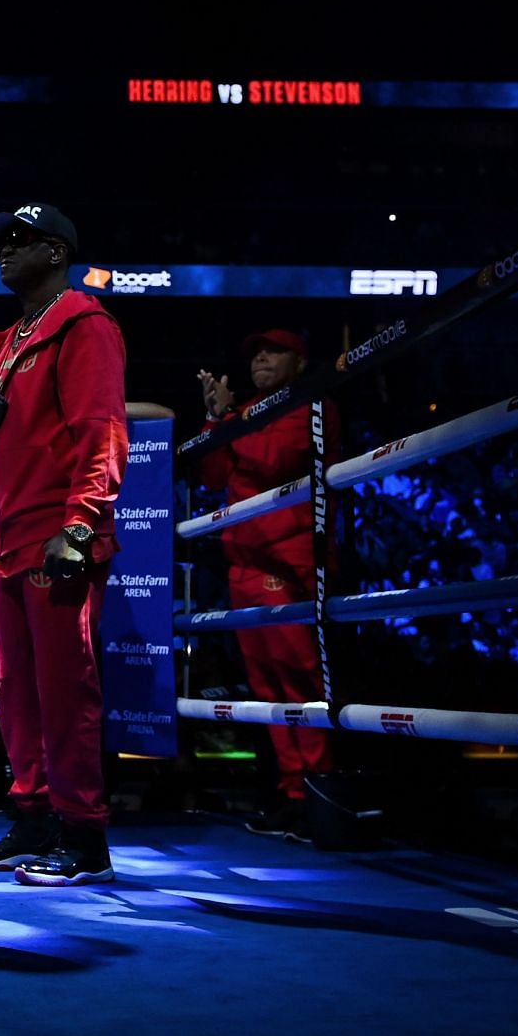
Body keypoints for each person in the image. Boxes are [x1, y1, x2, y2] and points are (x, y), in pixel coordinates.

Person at [0, 203, 128, 886]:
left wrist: (79, 525)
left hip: (57, 539)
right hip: (7, 544)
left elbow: (100, 430)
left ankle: (85, 839)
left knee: (64, 693)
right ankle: (34, 819)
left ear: (57, 252)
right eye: (3, 242)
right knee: (16, 695)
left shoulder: (85, 326)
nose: (5, 252)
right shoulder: (9, 341)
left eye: (22, 242)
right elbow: (2, 456)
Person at [195, 329, 340, 836]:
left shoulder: (307, 406)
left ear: (299, 362)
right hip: (245, 562)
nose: (260, 356)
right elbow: (212, 476)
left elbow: (277, 462)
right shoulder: (244, 414)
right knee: (266, 687)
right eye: (255, 350)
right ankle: (291, 794)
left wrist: (238, 423)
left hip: (287, 561)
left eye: (273, 350)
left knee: (299, 680)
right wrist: (218, 419)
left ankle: (318, 794)